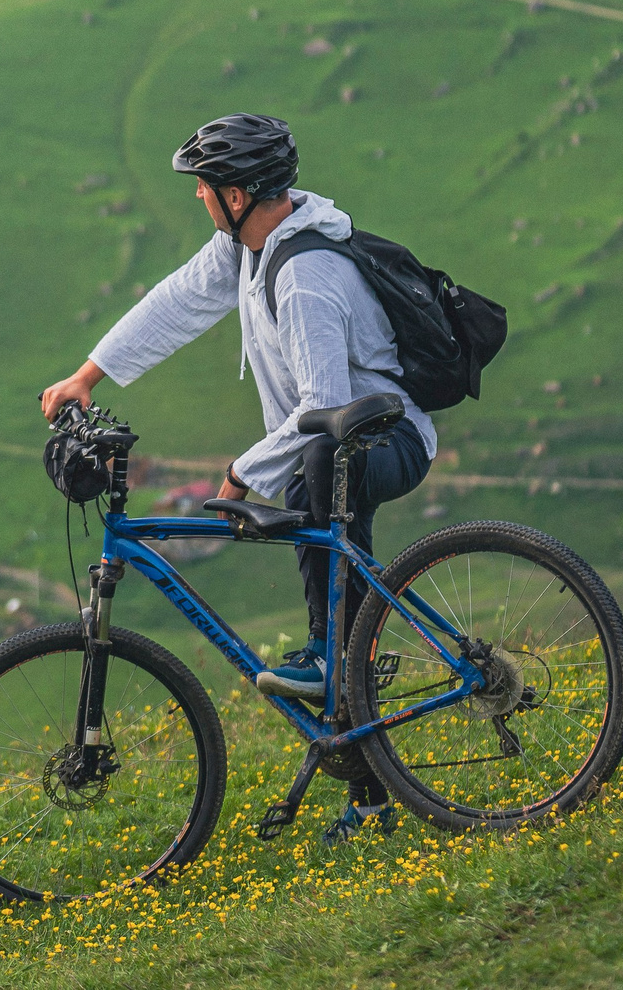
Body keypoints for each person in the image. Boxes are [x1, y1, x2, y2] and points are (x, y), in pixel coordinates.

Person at [37, 113, 435, 845]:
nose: (197, 196)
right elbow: (177, 300)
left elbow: (322, 410)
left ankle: (334, 665)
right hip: (329, 445)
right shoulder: (247, 248)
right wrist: (88, 374)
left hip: (384, 439)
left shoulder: (308, 275)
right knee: (318, 496)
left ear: (242, 193)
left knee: (319, 473)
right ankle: (364, 769)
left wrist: (238, 474)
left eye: (206, 184)